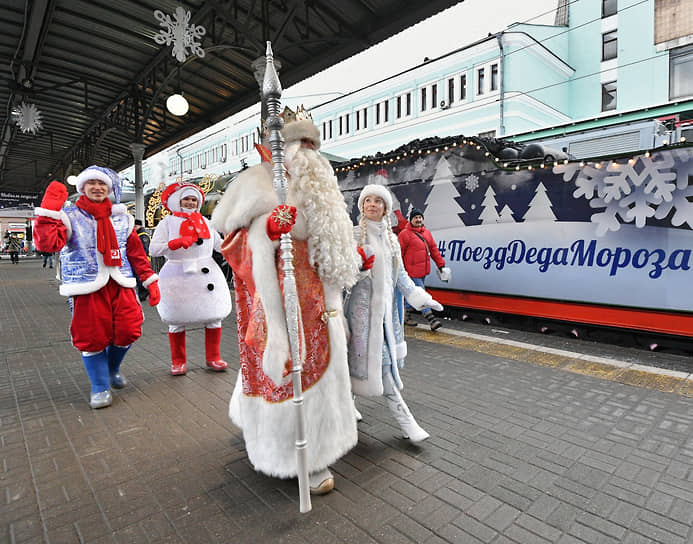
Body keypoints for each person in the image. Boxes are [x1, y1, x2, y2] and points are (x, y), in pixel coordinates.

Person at [211, 106, 359, 495]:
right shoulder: (254, 182)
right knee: (284, 372)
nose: (308, 152)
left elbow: (332, 247)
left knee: (320, 376)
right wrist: (267, 230)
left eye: (312, 143)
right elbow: (227, 239)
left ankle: (318, 450)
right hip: (277, 301)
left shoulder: (320, 187)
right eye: (300, 143)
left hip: (321, 306)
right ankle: (293, 456)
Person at [32, 165, 160, 409]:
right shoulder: (69, 215)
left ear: (110, 189)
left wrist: (149, 279)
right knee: (92, 337)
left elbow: (135, 253)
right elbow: (48, 245)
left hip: (120, 283)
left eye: (102, 184)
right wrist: (48, 214)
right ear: (82, 187)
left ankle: (112, 368)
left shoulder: (123, 218)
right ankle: (99, 385)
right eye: (91, 183)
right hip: (86, 286)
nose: (97, 188)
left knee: (129, 330)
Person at [345, 185, 443, 443]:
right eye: (368, 200)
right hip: (360, 317)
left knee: (363, 364)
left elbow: (401, 276)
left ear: (386, 208)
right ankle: (407, 423)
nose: (372, 205)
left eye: (378, 201)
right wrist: (358, 270)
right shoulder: (353, 235)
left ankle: (348, 404)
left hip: (387, 318)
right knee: (371, 366)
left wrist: (420, 297)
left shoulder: (391, 240)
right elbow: (340, 274)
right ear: (362, 205)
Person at [150, 181, 232, 375]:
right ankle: (178, 361)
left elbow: (220, 245)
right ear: (176, 201)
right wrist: (174, 243)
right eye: (186, 198)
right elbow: (153, 249)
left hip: (206, 272)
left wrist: (238, 242)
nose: (190, 202)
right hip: (177, 275)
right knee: (177, 319)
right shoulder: (167, 223)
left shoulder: (206, 221)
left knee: (214, 317)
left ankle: (214, 357)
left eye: (194, 199)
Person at [395, 207, 450, 330]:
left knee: (413, 294)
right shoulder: (405, 234)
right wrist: (399, 270)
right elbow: (398, 253)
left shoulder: (427, 233)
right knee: (421, 294)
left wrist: (441, 265)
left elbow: (434, 250)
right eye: (415, 217)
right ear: (411, 220)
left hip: (423, 271)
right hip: (411, 271)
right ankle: (431, 319)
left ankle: (406, 316)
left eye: (420, 217)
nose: (418, 219)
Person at [133, 219, 151, 300]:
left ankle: (144, 292)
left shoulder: (143, 236)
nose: (134, 228)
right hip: (138, 259)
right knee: (138, 277)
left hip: (142, 260)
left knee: (141, 277)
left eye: (135, 226)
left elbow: (144, 249)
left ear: (140, 226)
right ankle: (142, 292)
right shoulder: (139, 235)